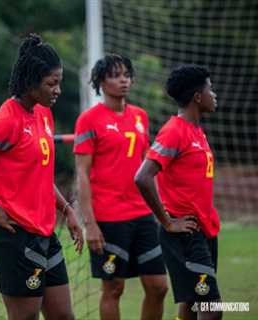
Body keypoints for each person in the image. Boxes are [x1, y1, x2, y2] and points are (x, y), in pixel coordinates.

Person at [0, 34, 83, 320]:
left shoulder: (42, 114)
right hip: (15, 237)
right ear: (30, 83)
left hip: (46, 233)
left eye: (59, 82)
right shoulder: (7, 120)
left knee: (64, 315)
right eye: (51, 84)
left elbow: (41, 177)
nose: (58, 90)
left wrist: (67, 211)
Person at [74, 53, 168, 320]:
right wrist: (89, 223)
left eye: (126, 74)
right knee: (114, 288)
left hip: (142, 215)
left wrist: (160, 209)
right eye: (116, 75)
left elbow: (146, 167)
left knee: (158, 286)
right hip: (108, 218)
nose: (123, 80)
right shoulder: (88, 120)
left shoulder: (141, 116)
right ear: (101, 82)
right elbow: (81, 173)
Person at [135, 64, 221, 320]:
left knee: (193, 305)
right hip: (185, 236)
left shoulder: (197, 132)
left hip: (203, 230)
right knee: (211, 308)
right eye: (210, 89)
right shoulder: (174, 131)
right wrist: (167, 221)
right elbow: (142, 177)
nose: (214, 94)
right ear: (197, 96)